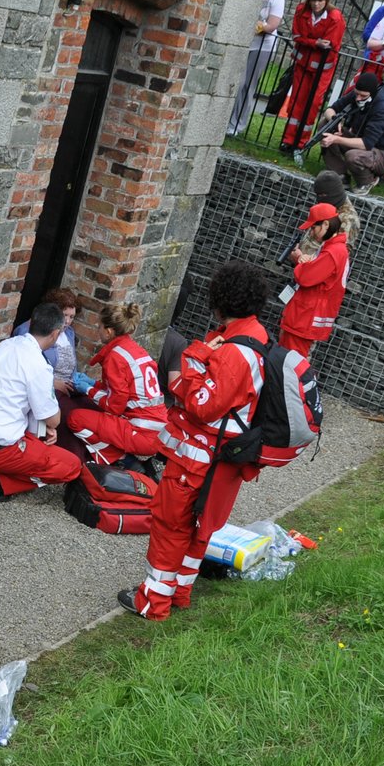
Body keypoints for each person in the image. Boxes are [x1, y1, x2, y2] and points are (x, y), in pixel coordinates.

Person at [117, 261, 271, 622]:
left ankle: (152, 603)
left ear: (220, 300)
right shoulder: (256, 336)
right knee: (200, 527)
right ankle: (179, 592)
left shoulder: (232, 351)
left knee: (171, 525)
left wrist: (196, 355)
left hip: (197, 460)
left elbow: (200, 403)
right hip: (222, 458)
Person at [0, 301, 83, 502]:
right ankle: (1, 483)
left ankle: (4, 473)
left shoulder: (6, 345)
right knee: (72, 466)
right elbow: (54, 420)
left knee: (38, 437)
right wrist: (50, 424)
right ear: (55, 333)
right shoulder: (39, 365)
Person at [65, 303, 167, 466]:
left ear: (109, 331)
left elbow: (114, 407)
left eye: (100, 326)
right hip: (157, 430)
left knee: (75, 418)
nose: (98, 330)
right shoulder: (135, 349)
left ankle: (122, 460)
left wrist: (88, 389)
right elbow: (122, 392)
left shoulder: (115, 356)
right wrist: (94, 384)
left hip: (141, 432)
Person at [12, 288, 93, 462]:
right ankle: (75, 460)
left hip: (70, 385)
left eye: (72, 317)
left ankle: (95, 457)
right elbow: (33, 369)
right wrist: (55, 383)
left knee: (93, 409)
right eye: (65, 316)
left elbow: (72, 364)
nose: (68, 321)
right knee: (72, 415)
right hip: (50, 387)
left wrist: (79, 381)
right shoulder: (28, 331)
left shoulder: (69, 333)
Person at [279, 0, 347, 157]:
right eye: (314, 0)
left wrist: (309, 41)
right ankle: (288, 140)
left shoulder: (335, 18)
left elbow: (331, 45)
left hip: (322, 70)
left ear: (326, 1)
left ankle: (301, 143)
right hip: (302, 64)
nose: (316, 4)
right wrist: (315, 42)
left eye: (320, 1)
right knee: (296, 102)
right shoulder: (302, 11)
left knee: (313, 104)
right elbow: (297, 35)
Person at [281, 202, 350, 358]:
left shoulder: (333, 251)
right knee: (292, 364)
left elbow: (305, 278)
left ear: (326, 224)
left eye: (313, 228)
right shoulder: (335, 249)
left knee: (290, 365)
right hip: (307, 319)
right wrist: (306, 263)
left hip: (305, 319)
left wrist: (300, 260)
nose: (311, 233)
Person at [227, 0, 287, 137]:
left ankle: (237, 124)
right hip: (245, 42)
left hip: (263, 45)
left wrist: (259, 27)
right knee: (237, 82)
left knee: (247, 84)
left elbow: (272, 25)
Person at [318, 71, 384, 194]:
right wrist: (335, 121)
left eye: (362, 96)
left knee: (353, 156)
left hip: (381, 153)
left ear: (372, 94)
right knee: (326, 125)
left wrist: (335, 139)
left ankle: (367, 181)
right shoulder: (357, 95)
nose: (358, 98)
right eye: (357, 94)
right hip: (360, 142)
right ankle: (340, 175)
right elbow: (330, 109)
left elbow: (366, 144)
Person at [298, 170, 360, 258]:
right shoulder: (326, 205)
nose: (319, 198)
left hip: (317, 268)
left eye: (322, 195)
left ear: (333, 193)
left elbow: (337, 256)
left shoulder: (348, 219)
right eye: (318, 194)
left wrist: (302, 259)